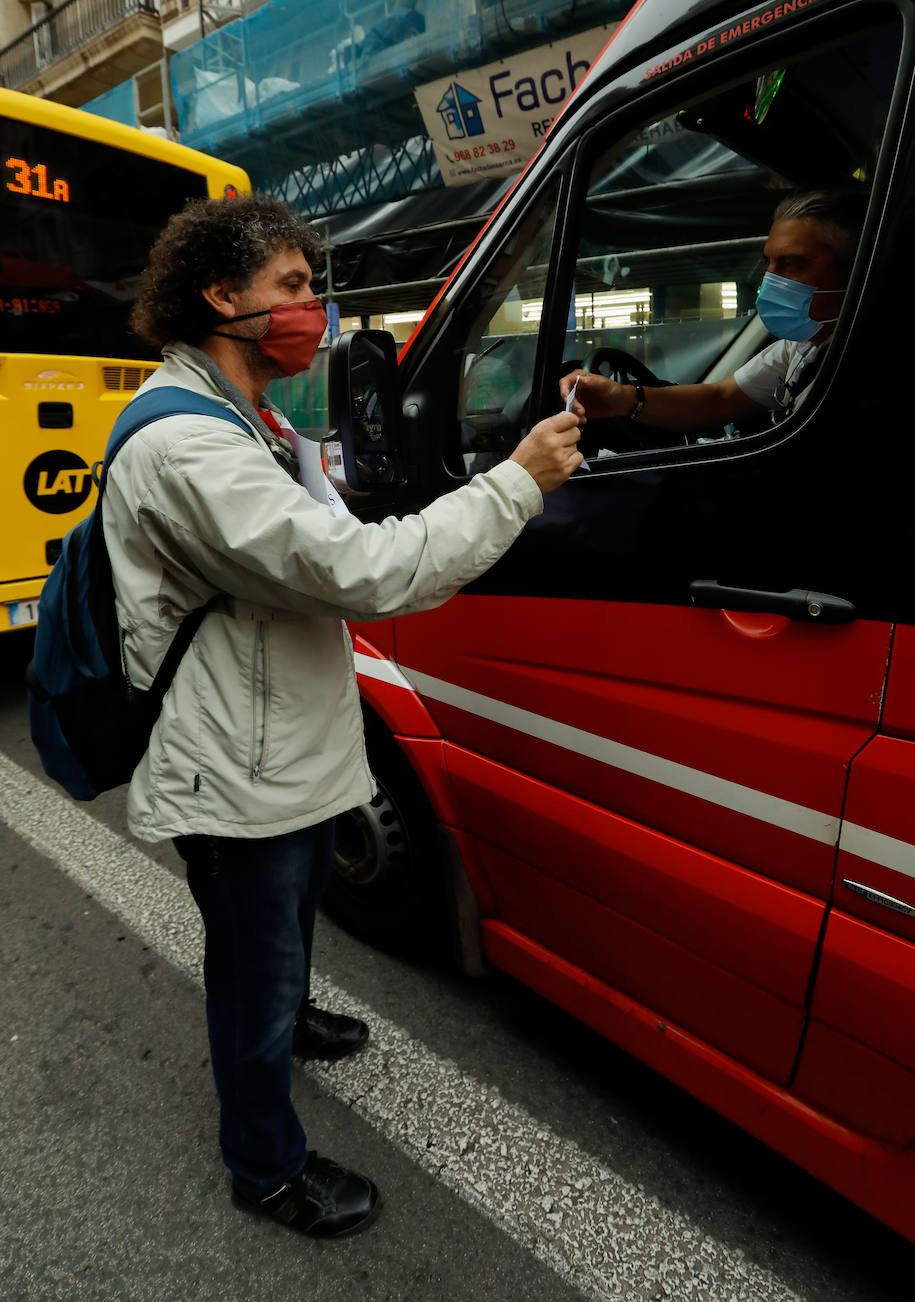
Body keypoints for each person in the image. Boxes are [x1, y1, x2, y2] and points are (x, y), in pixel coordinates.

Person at [105, 194, 581, 1241]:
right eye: (290, 287)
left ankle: (291, 1015)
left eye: (312, 287)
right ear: (219, 298)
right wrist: (513, 484)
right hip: (238, 770)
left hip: (284, 745)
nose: (310, 309)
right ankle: (266, 1167)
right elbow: (351, 569)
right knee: (251, 967)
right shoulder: (188, 447)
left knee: (287, 923)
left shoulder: (250, 415)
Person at [560, 188, 865, 433]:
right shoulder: (799, 349)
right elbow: (720, 399)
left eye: (790, 263)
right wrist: (621, 398)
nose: (770, 279)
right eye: (769, 263)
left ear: (854, 269)